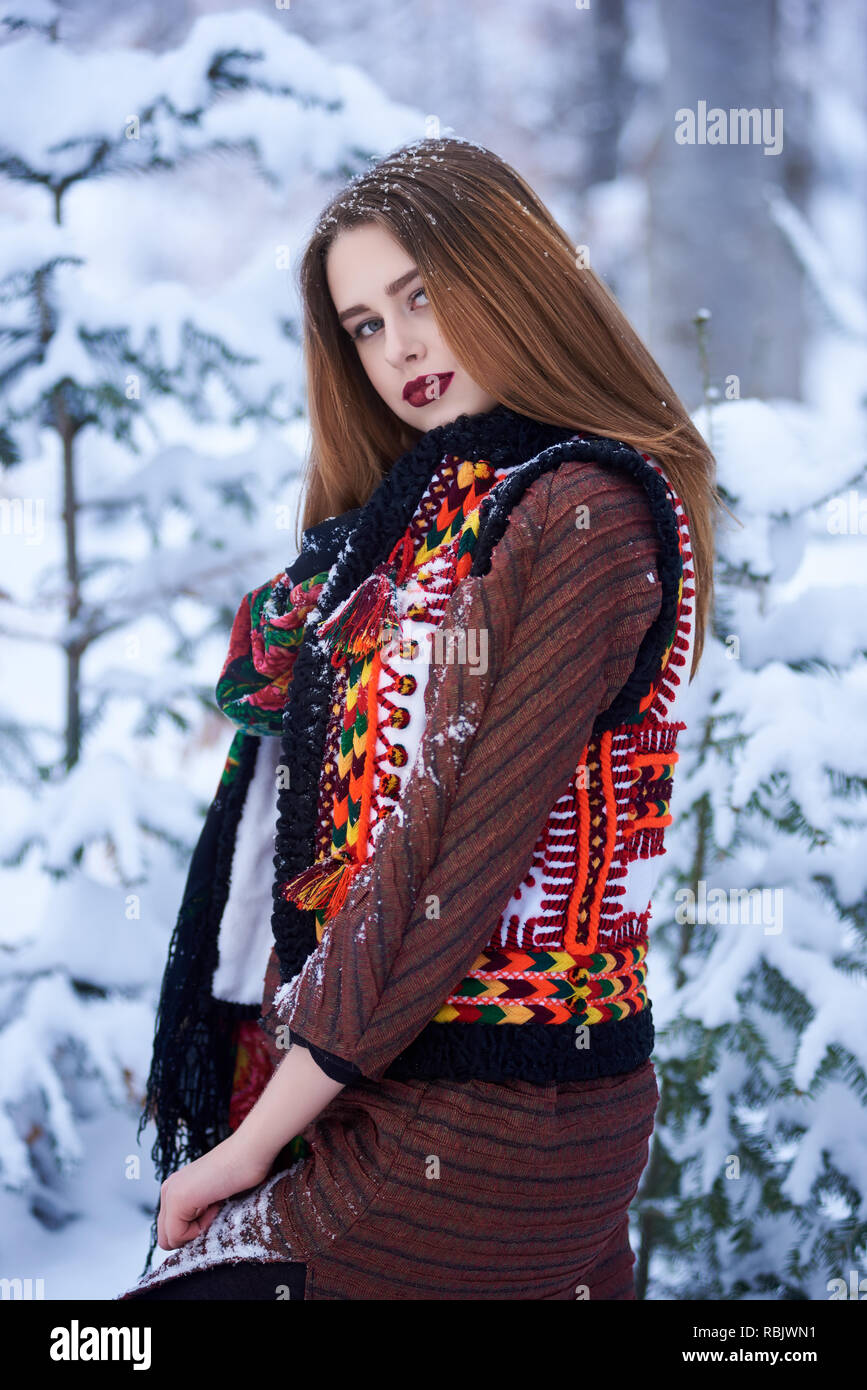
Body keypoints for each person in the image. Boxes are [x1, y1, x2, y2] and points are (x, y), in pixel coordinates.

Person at [118, 135, 723, 1302]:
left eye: (422, 297)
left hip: (493, 1118)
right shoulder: (408, 533)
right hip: (386, 1091)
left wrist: (250, 1144)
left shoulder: (585, 513)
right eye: (363, 325)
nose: (398, 348)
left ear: (516, 279)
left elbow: (447, 855)